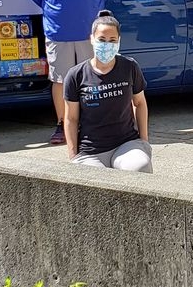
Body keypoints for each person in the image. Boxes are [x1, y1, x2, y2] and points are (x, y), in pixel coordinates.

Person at [26, 0, 114, 146]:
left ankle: (92, 122)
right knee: (61, 80)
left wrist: (91, 9)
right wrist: (56, 11)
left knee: (93, 77)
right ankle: (62, 123)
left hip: (90, 32)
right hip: (58, 32)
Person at [63, 11, 152, 173]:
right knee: (94, 182)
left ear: (119, 41)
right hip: (91, 151)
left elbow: (139, 103)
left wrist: (144, 141)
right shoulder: (76, 75)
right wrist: (73, 155)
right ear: (92, 39)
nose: (107, 44)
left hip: (126, 144)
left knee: (140, 167)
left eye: (112, 40)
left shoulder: (129, 67)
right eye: (102, 40)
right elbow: (71, 118)